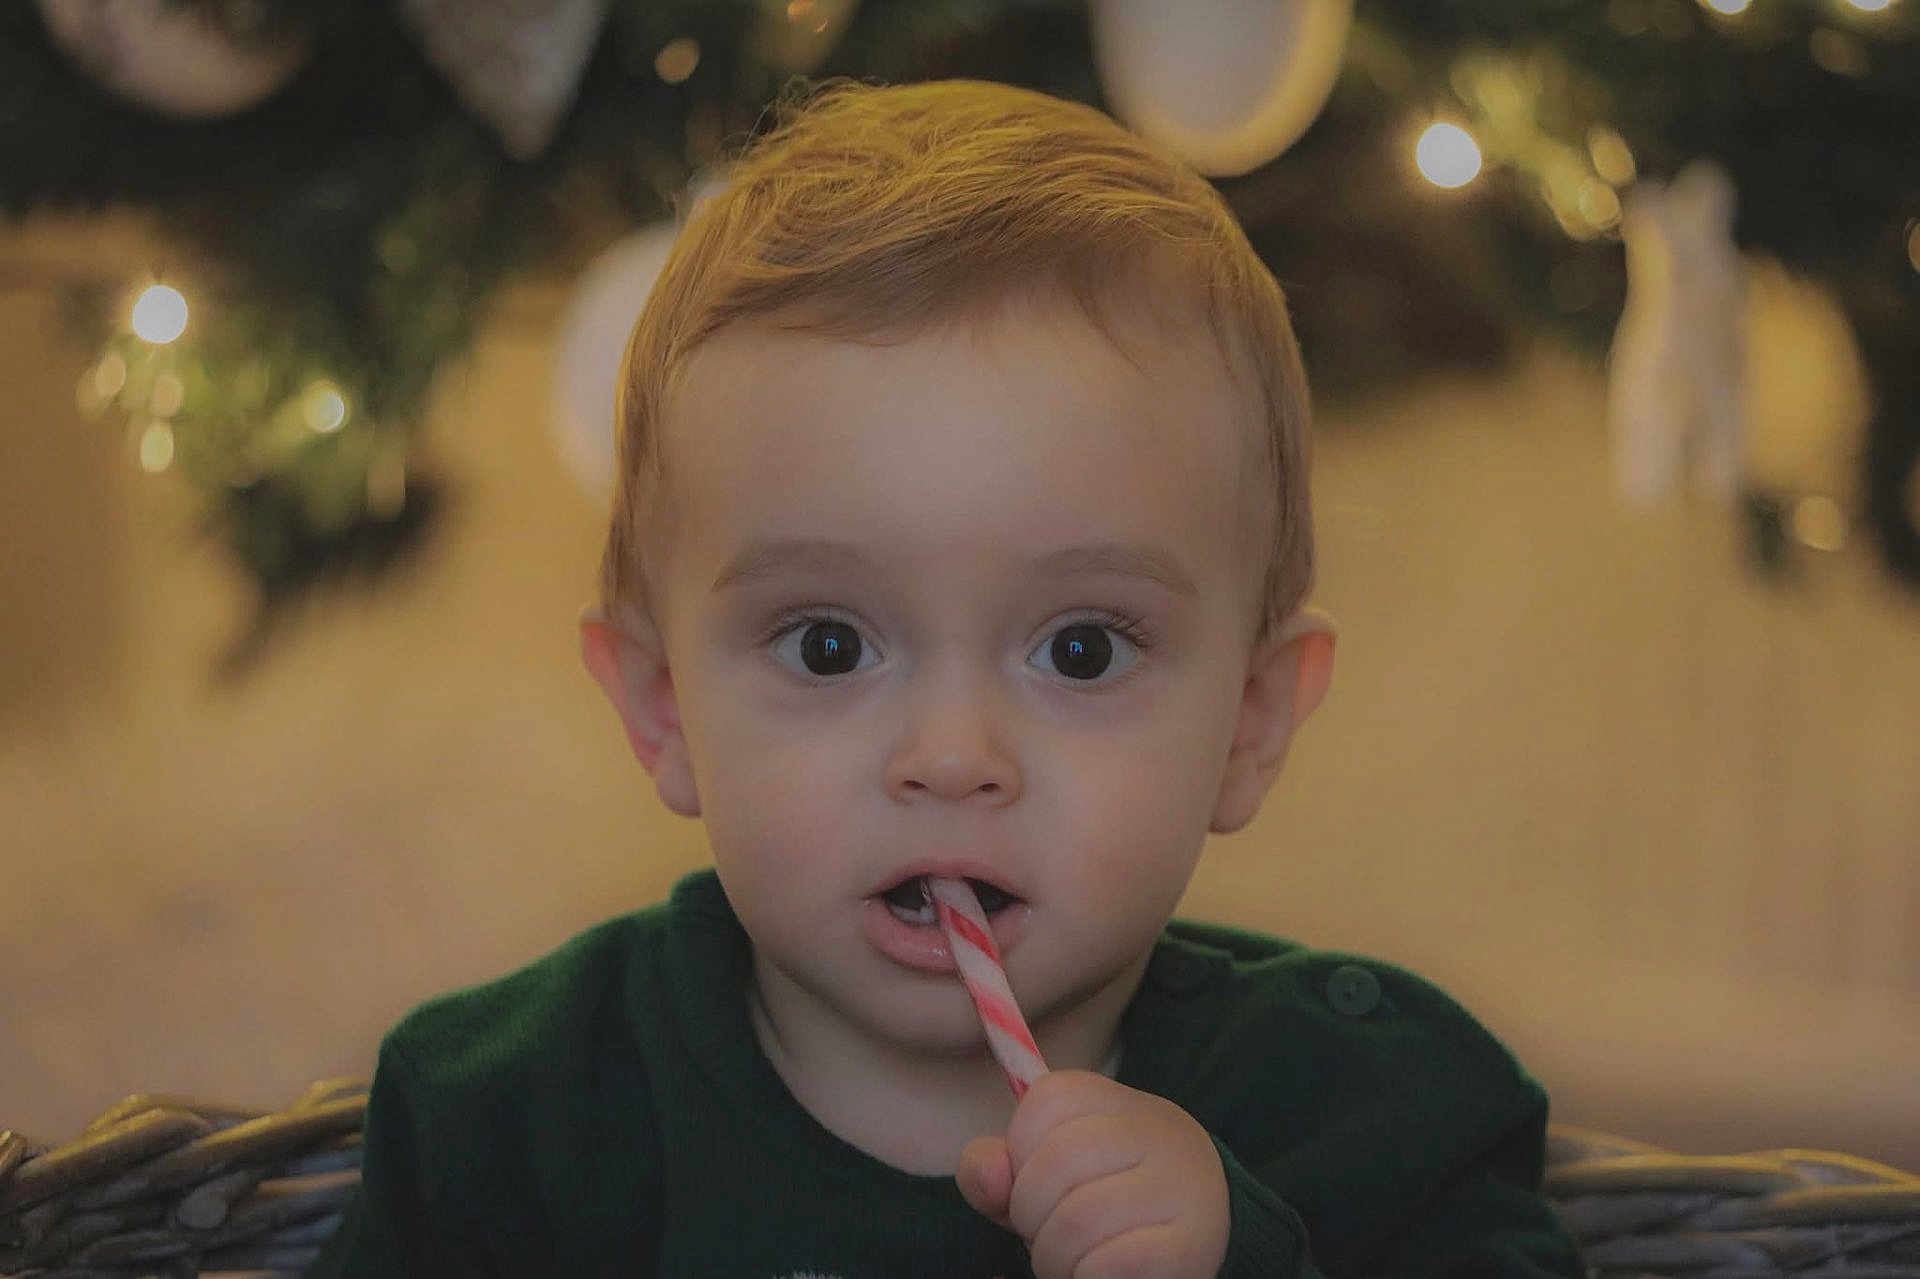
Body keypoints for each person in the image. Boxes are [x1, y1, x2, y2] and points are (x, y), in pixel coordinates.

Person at [310, 77, 1582, 1278]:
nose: (953, 750)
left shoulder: (1380, 1121)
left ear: (1253, 720)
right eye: (829, 644)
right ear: (660, 709)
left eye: (1080, 649)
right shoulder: (511, 1124)